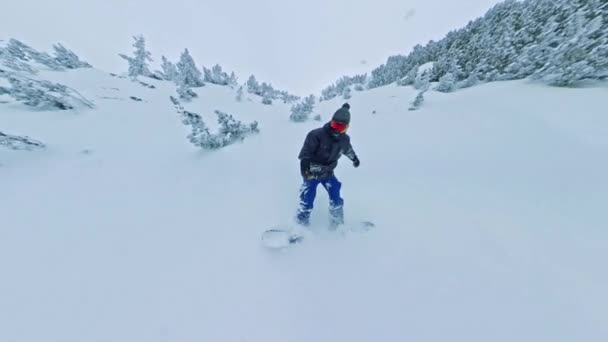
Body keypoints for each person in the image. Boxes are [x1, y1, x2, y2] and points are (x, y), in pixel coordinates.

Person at [295, 103, 360, 227]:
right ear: (331, 122)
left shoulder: (344, 140)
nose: (336, 129)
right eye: (335, 124)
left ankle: (337, 224)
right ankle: (300, 225)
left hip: (328, 173)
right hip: (312, 171)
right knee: (307, 198)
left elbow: (348, 150)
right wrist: (305, 170)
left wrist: (354, 159)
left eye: (341, 127)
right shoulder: (316, 135)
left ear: (346, 128)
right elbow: (305, 154)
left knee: (336, 195)